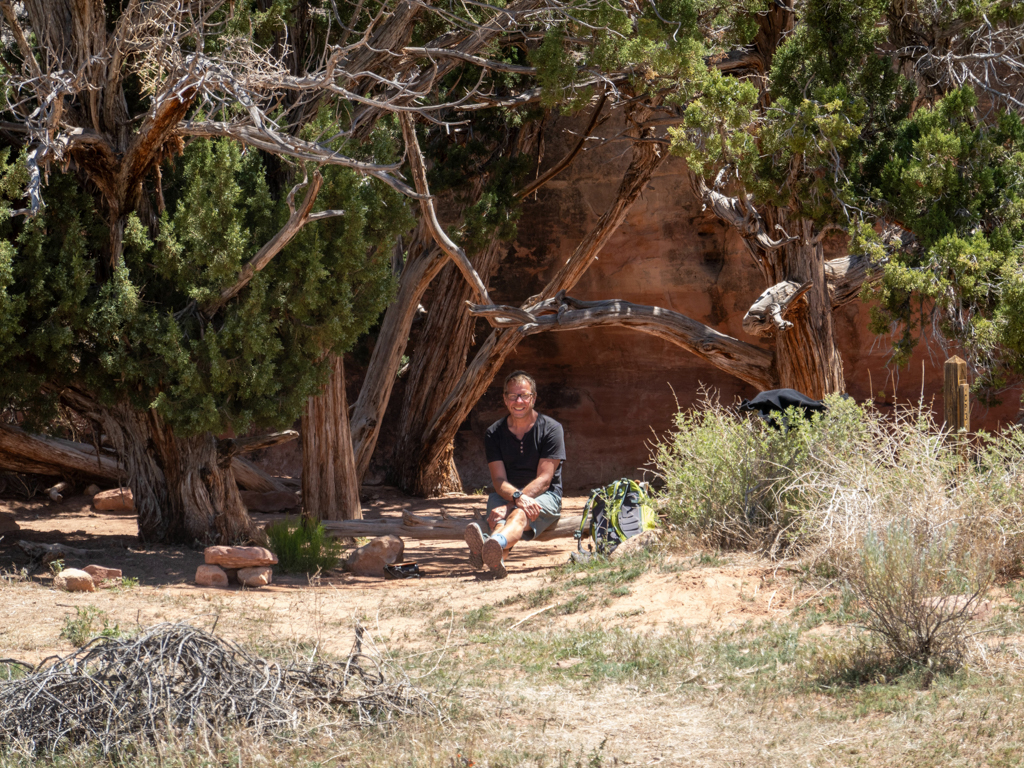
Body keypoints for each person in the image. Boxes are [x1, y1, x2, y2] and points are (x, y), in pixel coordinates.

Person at [464, 370, 566, 578]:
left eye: (524, 395)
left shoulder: (552, 429)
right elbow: (499, 480)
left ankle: (489, 542)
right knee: (501, 521)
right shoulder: (494, 432)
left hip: (544, 497)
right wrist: (515, 498)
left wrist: (513, 505)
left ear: (533, 398)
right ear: (504, 398)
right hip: (507, 496)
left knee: (517, 514)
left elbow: (545, 480)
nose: (518, 401)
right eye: (512, 396)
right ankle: (495, 560)